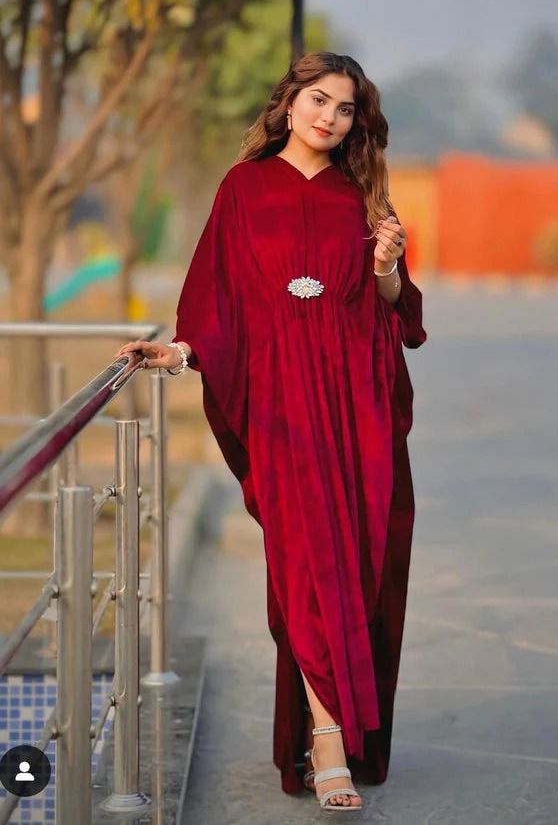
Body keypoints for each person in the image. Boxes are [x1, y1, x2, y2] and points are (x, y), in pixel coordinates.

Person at [113, 51, 427, 813]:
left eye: (345, 108)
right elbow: (218, 301)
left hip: (359, 406)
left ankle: (344, 732)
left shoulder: (362, 195)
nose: (330, 117)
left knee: (360, 566)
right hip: (282, 405)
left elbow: (399, 311)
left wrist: (386, 266)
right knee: (307, 564)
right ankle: (328, 744)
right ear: (289, 103)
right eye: (318, 99)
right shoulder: (243, 188)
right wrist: (180, 352)